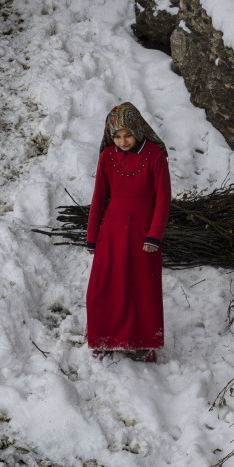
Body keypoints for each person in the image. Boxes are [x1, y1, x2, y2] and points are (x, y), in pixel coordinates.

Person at [85, 102, 171, 363]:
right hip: (112, 232)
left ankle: (143, 343)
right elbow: (99, 198)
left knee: (141, 287)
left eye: (128, 135)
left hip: (143, 233)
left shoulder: (155, 155)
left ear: (139, 130)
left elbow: (163, 199)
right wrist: (92, 236)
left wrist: (154, 235)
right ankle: (104, 338)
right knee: (103, 286)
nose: (123, 141)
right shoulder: (107, 156)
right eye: (117, 136)